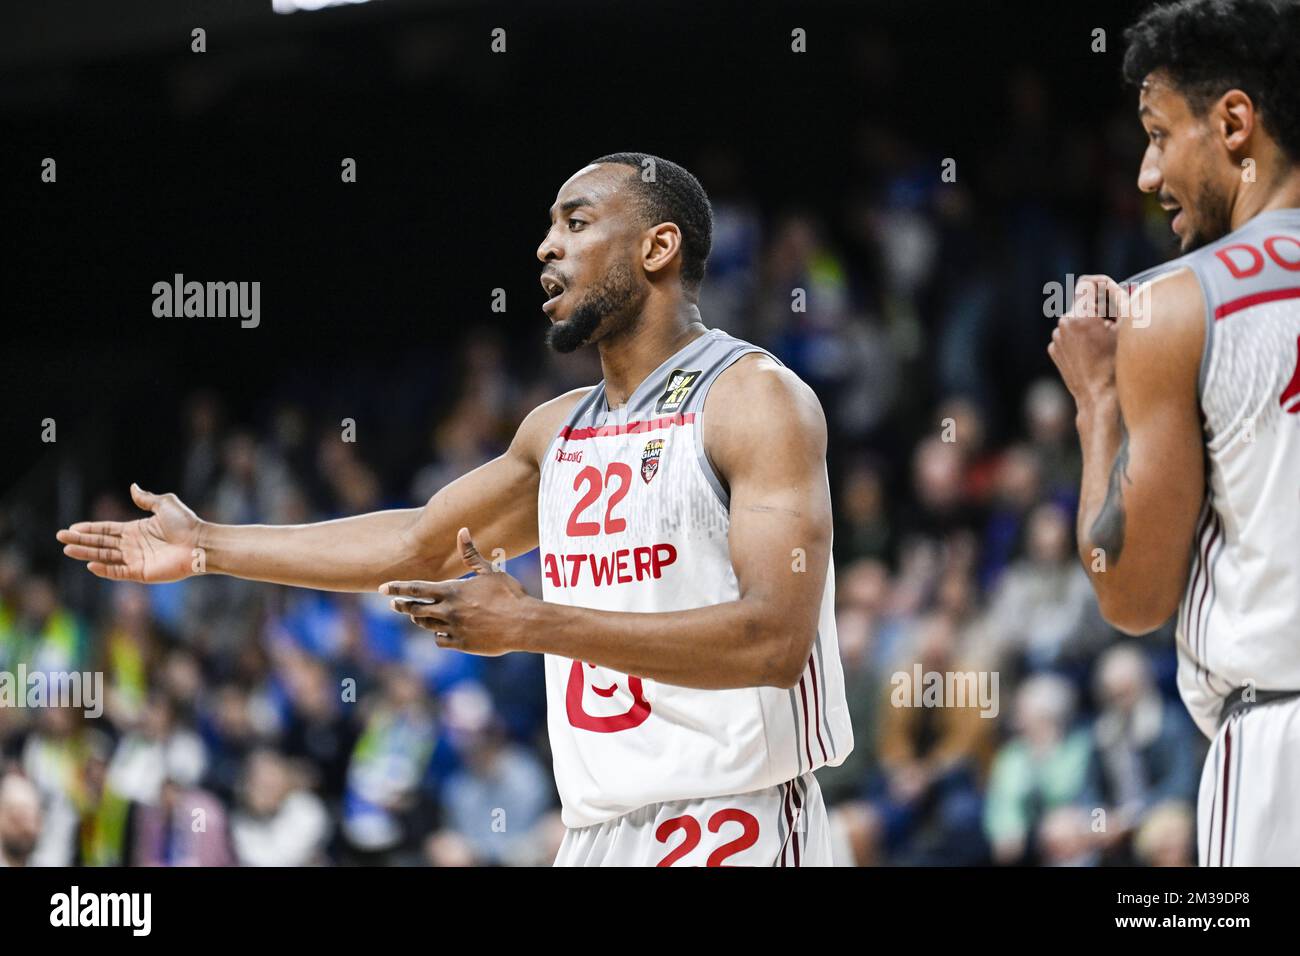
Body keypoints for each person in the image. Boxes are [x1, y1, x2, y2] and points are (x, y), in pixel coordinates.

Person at [57, 152, 853, 867]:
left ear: (658, 248)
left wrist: (535, 624)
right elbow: (416, 542)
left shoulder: (752, 398)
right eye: (548, 228)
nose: (546, 248)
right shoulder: (557, 431)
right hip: (601, 831)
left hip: (737, 822)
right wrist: (205, 545)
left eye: (576, 223)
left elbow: (773, 641)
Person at [1048, 0, 1300, 864]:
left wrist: (1097, 400)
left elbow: (1131, 592)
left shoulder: (1177, 304)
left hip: (1280, 743)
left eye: (1159, 134)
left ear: (1235, 122)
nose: (1149, 175)